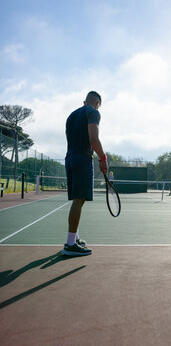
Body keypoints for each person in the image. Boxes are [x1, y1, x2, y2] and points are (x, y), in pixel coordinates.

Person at [62, 91, 108, 256]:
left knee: (76, 200)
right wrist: (102, 158)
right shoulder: (93, 112)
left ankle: (74, 238)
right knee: (79, 201)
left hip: (70, 158)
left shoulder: (71, 116)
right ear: (97, 103)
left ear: (84, 101)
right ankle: (69, 244)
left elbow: (71, 139)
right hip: (82, 159)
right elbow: (93, 140)